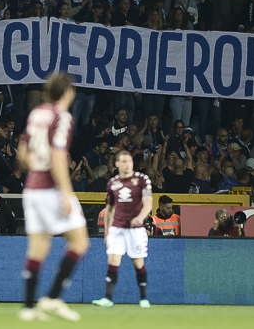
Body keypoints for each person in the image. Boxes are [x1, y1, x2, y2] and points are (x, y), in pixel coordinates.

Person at [16, 73, 89, 321]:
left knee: (38, 247)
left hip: (31, 189)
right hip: (50, 189)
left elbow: (22, 151)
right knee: (79, 242)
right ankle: (53, 297)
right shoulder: (62, 116)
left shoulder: (37, 113)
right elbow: (58, 157)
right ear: (68, 92)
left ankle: (28, 308)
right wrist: (66, 193)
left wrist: (37, 167)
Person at [91, 150, 153, 310]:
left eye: (129, 161)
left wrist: (141, 217)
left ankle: (143, 298)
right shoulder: (113, 183)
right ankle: (108, 298)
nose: (127, 164)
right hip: (117, 229)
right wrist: (107, 232)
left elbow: (148, 202)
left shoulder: (142, 179)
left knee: (138, 262)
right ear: (117, 163)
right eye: (124, 161)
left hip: (135, 229)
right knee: (113, 260)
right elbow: (110, 209)